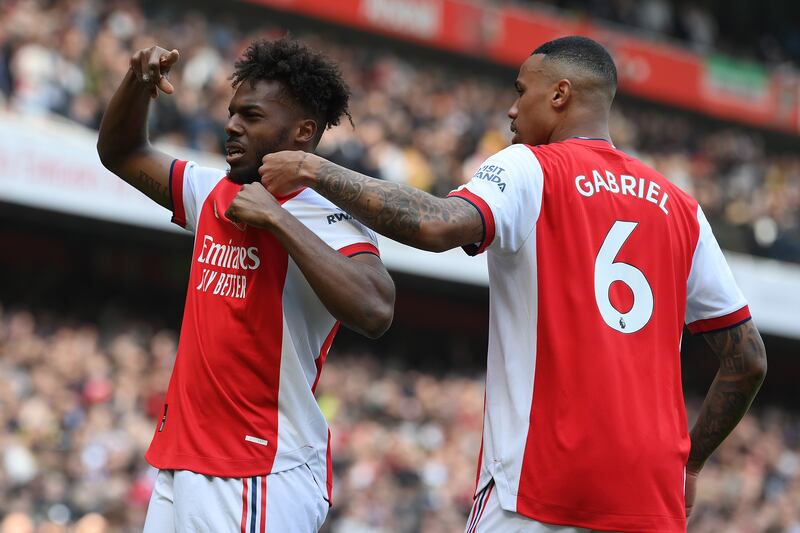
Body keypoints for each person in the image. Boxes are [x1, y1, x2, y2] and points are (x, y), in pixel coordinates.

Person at [254, 36, 767, 532]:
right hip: (648, 501)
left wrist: (312, 167)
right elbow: (747, 362)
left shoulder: (531, 166)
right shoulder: (682, 208)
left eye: (522, 91)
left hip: (536, 490)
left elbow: (436, 223)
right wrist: (691, 464)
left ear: (560, 95)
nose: (512, 110)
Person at [97, 38, 395, 532]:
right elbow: (121, 151)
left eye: (251, 116)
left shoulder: (329, 218)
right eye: (233, 112)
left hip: (259, 470)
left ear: (302, 132)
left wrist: (277, 220)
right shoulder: (214, 190)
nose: (232, 125)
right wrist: (137, 83)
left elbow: (376, 309)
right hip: (183, 460)